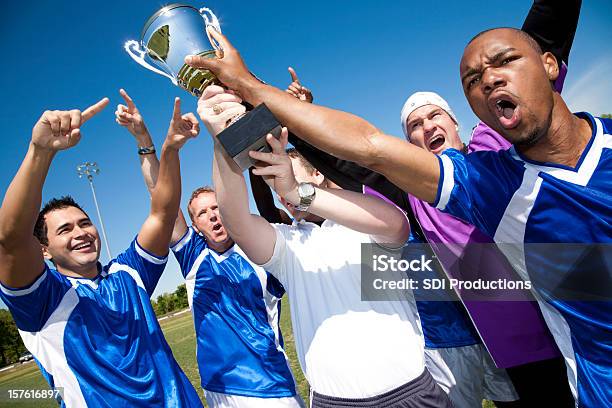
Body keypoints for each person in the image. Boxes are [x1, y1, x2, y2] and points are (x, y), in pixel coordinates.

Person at [185, 24, 611, 408]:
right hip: (448, 343)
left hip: (526, 336)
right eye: (414, 126)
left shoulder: (494, 159)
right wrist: (263, 124)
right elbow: (359, 155)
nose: (426, 128)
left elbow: (535, 55)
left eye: (434, 117)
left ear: (461, 123)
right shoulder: (434, 188)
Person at [200, 86, 452, 407]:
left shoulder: (360, 220)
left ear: (317, 174)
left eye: (283, 178)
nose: (280, 194)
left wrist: (298, 191)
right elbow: (235, 219)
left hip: (411, 393)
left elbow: (395, 224)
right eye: (275, 187)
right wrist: (223, 144)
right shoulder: (287, 244)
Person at [0, 97, 203, 406]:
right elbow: (10, 239)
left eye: (84, 223)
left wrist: (167, 149)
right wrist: (40, 152)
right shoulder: (40, 301)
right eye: (64, 229)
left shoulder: (128, 272)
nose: (80, 233)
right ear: (44, 250)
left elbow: (163, 212)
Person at [114, 89, 303, 408]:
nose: (213, 215)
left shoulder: (261, 250)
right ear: (195, 226)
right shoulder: (193, 256)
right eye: (202, 212)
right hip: (218, 392)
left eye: (217, 207)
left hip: (271, 388)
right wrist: (144, 141)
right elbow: (161, 197)